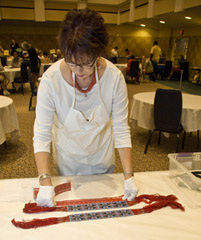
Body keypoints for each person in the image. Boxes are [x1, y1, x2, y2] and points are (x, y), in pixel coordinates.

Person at [33, 9, 138, 207]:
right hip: (68, 161)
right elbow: (42, 133)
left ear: (98, 54)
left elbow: (121, 128)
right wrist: (45, 180)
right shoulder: (51, 81)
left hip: (102, 159)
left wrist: (128, 175)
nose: (79, 71)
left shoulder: (114, 78)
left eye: (86, 64)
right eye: (72, 62)